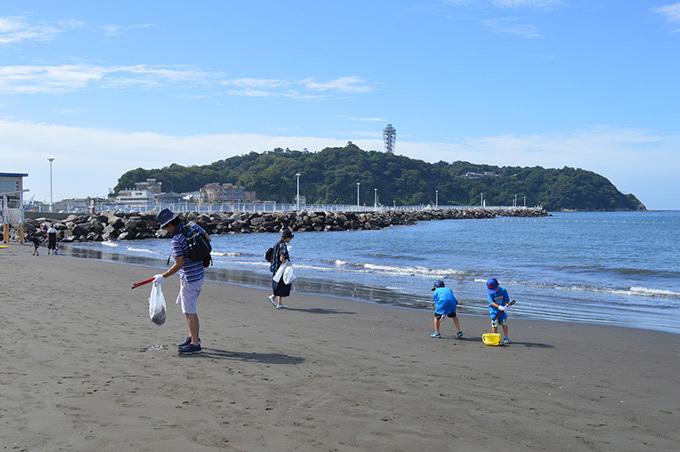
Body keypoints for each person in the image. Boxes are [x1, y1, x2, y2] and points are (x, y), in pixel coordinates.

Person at [152, 209, 210, 355]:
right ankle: (192, 336)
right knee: (187, 308)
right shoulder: (192, 225)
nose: (165, 230)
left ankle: (195, 344)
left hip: (189, 278)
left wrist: (163, 276)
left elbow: (179, 264)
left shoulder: (177, 240)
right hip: (199, 274)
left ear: (171, 224)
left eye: (165, 227)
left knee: (190, 311)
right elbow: (208, 239)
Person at [268, 229, 294, 309]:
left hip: (275, 267)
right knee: (282, 284)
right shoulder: (283, 245)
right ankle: (273, 297)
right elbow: (281, 258)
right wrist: (287, 263)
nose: (290, 240)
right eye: (290, 238)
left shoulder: (278, 244)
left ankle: (279, 303)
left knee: (280, 284)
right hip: (280, 268)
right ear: (287, 238)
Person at [486, 277, 511, 344]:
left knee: (504, 322)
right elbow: (491, 302)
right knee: (495, 322)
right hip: (493, 310)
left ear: (498, 284)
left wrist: (506, 306)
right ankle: (495, 337)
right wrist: (499, 307)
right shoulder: (490, 292)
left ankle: (506, 337)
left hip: (502, 311)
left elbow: (506, 300)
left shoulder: (503, 290)